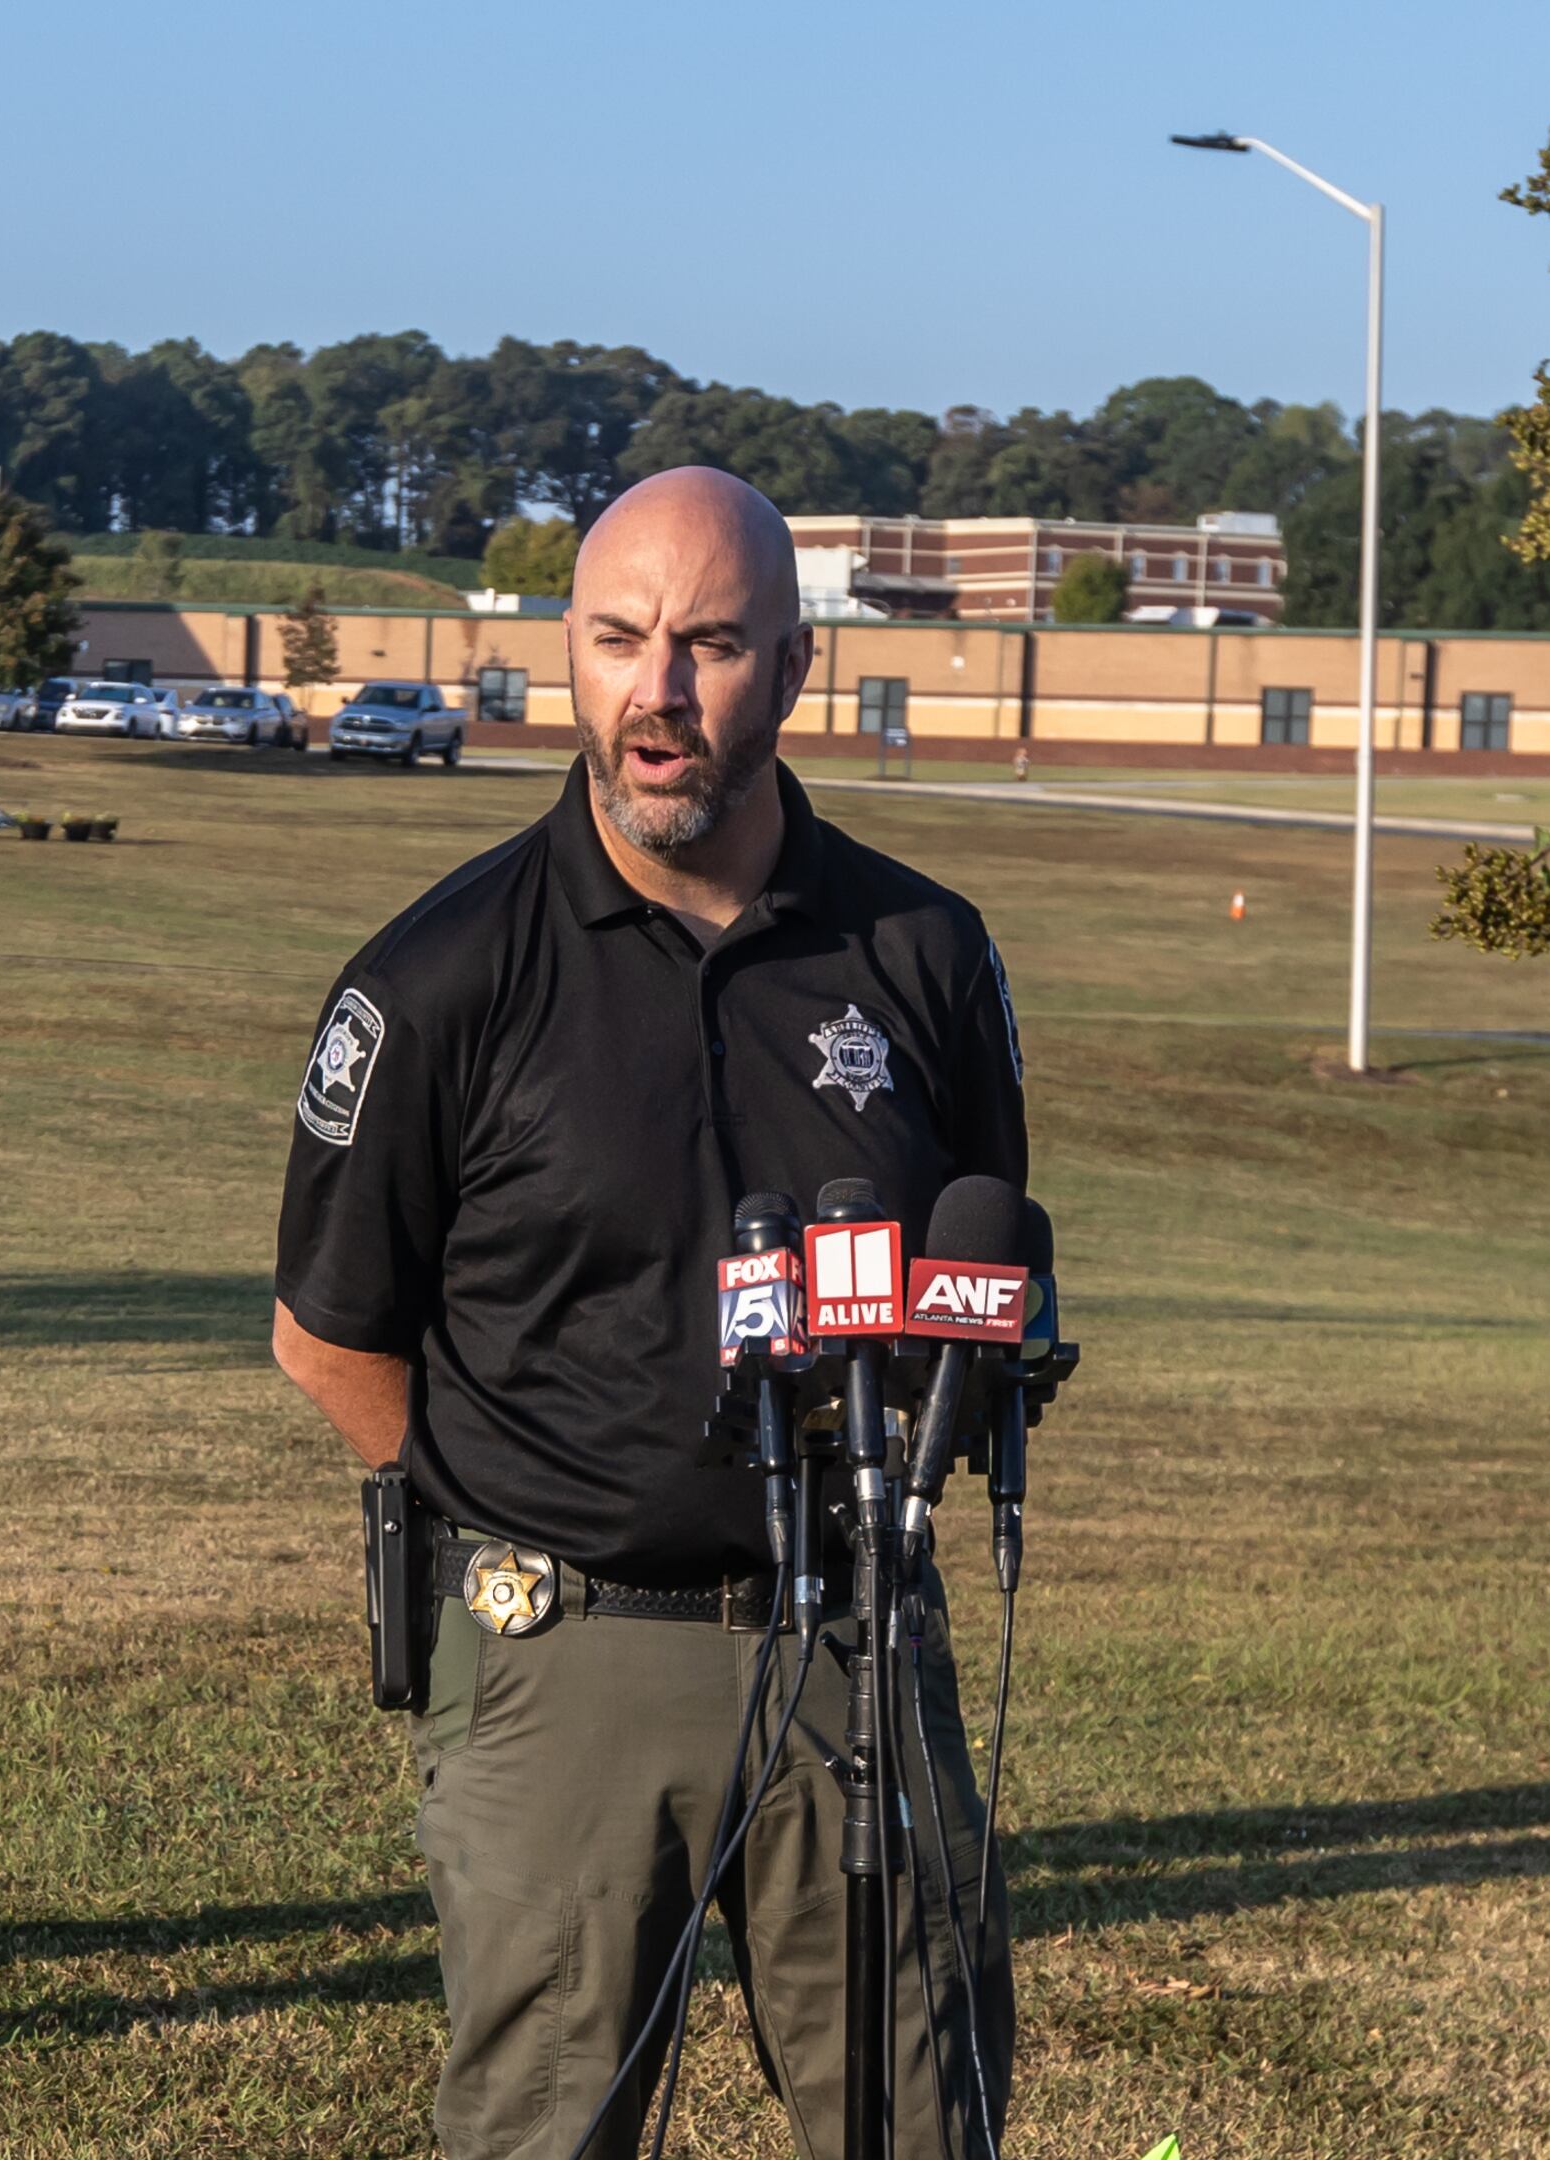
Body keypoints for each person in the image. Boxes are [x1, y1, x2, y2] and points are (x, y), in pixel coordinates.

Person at [272, 468, 1025, 2160]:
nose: (658, 693)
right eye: (618, 641)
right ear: (569, 653)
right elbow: (328, 1334)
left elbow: (983, 1262)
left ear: (798, 668)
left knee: (921, 2117)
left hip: (860, 1639)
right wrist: (537, 1528)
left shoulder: (924, 953)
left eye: (710, 645)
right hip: (565, 1662)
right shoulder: (442, 974)